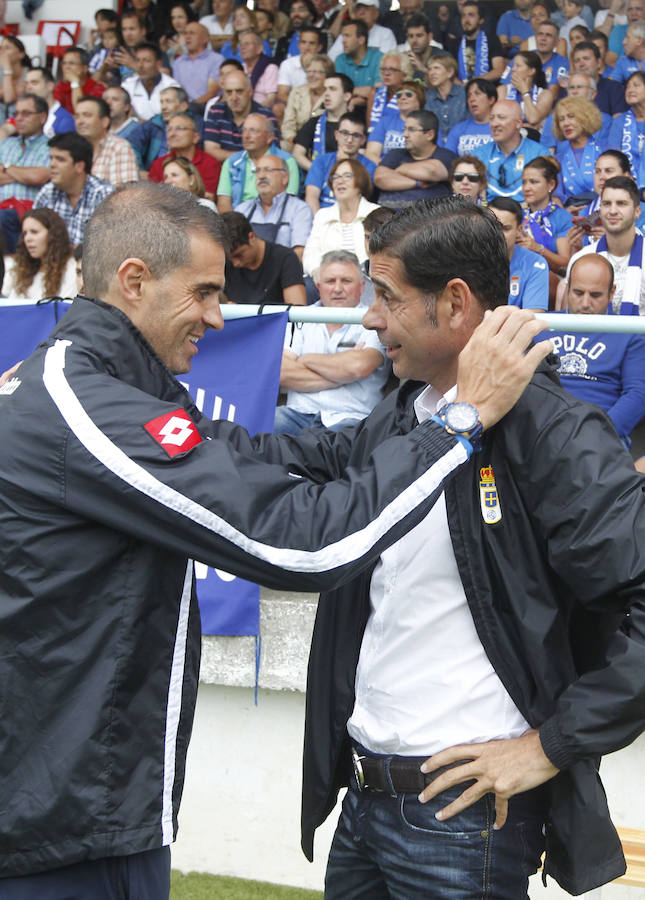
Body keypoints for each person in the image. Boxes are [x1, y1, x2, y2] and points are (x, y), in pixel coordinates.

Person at [0, 182, 551, 900]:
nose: (215, 315)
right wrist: (459, 422)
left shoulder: (114, 390)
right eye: (201, 291)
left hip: (93, 809)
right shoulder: (83, 405)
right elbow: (302, 547)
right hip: (58, 826)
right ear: (134, 281)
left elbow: (253, 457)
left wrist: (412, 428)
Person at [298, 194, 645, 899]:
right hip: (364, 800)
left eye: (387, 298)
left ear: (454, 305)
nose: (367, 317)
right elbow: (294, 460)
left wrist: (547, 747)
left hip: (460, 822)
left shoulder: (556, 432)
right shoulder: (404, 411)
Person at [275, 249, 388, 435]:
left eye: (346, 281)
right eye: (330, 281)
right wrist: (342, 373)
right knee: (264, 427)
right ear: (318, 286)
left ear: (361, 287)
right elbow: (281, 372)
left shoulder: (374, 320)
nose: (337, 289)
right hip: (295, 415)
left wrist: (305, 359)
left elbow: (358, 367)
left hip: (351, 419)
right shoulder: (300, 318)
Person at [546, 253, 645, 445]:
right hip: (543, 432)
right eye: (578, 292)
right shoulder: (543, 326)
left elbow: (637, 394)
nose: (585, 303)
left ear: (612, 292)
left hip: (602, 438)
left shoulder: (630, 331)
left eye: (595, 295)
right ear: (567, 289)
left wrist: (598, 434)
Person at [566, 174, 645, 314]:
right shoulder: (582, 258)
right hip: (593, 335)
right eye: (606, 204)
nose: (613, 211)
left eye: (621, 204)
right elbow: (567, 321)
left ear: (637, 211)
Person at [33, 132, 114, 247]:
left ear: (79, 166)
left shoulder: (103, 195)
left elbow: (111, 245)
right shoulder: (47, 192)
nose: (52, 164)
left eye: (60, 159)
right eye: (51, 158)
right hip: (53, 262)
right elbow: (34, 235)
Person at [302, 158, 379, 279]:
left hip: (365, 279)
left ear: (361, 181)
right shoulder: (323, 215)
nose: (340, 181)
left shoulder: (375, 213)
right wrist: (317, 271)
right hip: (328, 278)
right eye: (335, 177)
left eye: (347, 176)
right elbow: (310, 254)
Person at [374, 109, 456, 209]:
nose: (405, 134)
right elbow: (380, 178)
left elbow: (432, 171)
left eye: (411, 130)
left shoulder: (446, 156)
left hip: (428, 219)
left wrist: (401, 169)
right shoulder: (395, 153)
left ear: (430, 134)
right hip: (389, 217)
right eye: (404, 129)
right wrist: (417, 183)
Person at [0, 94, 51, 253]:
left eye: (26, 113)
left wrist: (6, 167)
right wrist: (24, 174)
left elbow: (38, 177)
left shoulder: (51, 146)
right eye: (16, 114)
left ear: (42, 117)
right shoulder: (7, 144)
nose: (19, 118)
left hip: (29, 213)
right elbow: (32, 175)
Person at [221, 209, 306, 304]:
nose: (235, 263)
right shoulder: (223, 263)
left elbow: (297, 309)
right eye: (229, 258)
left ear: (251, 237)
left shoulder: (285, 258)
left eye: (239, 255)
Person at [216, 112, 298, 211]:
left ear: (269, 137)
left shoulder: (287, 161)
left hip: (276, 219)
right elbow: (224, 203)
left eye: (253, 131)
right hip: (239, 220)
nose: (246, 136)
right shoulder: (231, 162)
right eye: (244, 130)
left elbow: (290, 202)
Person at [236, 154, 312, 258]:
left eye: (268, 170)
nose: (261, 176)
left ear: (285, 178)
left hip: (283, 272)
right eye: (258, 171)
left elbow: (299, 253)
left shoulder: (300, 210)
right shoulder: (242, 210)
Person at [472, 100, 549, 201]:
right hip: (489, 213)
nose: (494, 124)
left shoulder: (539, 154)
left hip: (527, 213)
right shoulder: (479, 154)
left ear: (518, 123)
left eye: (501, 118)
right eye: (492, 118)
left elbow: (545, 196)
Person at [304, 110, 376, 212]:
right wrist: (319, 224)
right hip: (322, 217)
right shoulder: (321, 161)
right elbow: (312, 196)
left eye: (356, 135)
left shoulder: (369, 167)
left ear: (363, 140)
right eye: (345, 133)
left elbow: (361, 199)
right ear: (337, 135)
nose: (349, 140)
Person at [203, 69, 278, 163]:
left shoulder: (266, 117)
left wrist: (227, 155)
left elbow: (271, 155)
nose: (234, 98)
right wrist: (247, 156)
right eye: (229, 92)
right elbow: (211, 151)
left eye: (239, 91)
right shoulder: (215, 111)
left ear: (250, 92)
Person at [489, 196, 549, 310]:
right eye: (492, 226)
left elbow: (533, 317)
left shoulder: (535, 264)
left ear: (519, 230)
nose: (497, 233)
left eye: (505, 228)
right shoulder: (468, 259)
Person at [2, 208, 77, 300]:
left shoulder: (71, 269)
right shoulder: (23, 271)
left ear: (53, 234)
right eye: (25, 233)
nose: (28, 239)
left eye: (34, 232)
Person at [520, 155, 573, 278]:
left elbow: (566, 266)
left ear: (551, 185)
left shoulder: (563, 218)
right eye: (524, 182)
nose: (526, 188)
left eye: (534, 182)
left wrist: (538, 249)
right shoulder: (516, 215)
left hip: (553, 280)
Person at [149, 113, 221, 199]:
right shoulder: (158, 164)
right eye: (169, 129)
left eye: (180, 128)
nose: (172, 134)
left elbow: (208, 197)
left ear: (195, 137)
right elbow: (152, 199)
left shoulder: (210, 163)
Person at [292, 72, 353, 172]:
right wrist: (317, 172)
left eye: (332, 89)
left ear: (346, 96)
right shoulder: (314, 122)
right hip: (317, 180)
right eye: (325, 89)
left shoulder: (357, 123)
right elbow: (297, 153)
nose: (326, 94)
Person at [75, 96, 140, 188]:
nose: (80, 121)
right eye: (77, 117)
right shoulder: (72, 149)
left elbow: (124, 193)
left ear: (105, 122)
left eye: (87, 115)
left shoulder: (119, 147)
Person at [552, 95, 605, 204]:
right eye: (561, 119)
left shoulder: (607, 151)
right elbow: (556, 198)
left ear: (586, 117)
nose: (566, 123)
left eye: (571, 116)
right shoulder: (557, 160)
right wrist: (567, 214)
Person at [365, 79, 426, 163]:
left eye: (408, 94)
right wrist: (388, 169)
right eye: (399, 95)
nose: (403, 97)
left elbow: (434, 157)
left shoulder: (428, 123)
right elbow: (371, 153)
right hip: (384, 171)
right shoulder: (384, 121)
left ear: (419, 98)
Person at [281, 54, 333, 149]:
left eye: (317, 72)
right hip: (295, 143)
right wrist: (297, 144)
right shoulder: (297, 92)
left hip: (323, 144)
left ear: (327, 75)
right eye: (309, 71)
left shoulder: (332, 95)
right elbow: (287, 126)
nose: (311, 75)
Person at [497, 50, 554, 134]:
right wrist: (524, 126)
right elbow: (499, 119)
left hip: (536, 142)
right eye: (513, 66)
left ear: (531, 71)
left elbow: (533, 118)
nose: (513, 69)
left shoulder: (545, 94)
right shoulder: (502, 90)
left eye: (518, 66)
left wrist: (525, 92)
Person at [121, 43, 181, 121]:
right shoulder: (127, 86)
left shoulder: (171, 87)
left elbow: (172, 120)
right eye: (137, 60)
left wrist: (141, 122)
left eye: (146, 61)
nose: (140, 66)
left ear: (158, 64)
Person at [171, 22, 223, 107]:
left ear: (205, 39)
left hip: (208, 108)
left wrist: (190, 107)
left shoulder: (216, 60)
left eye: (192, 33)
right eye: (185, 33)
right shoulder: (178, 62)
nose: (187, 37)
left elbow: (212, 93)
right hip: (183, 110)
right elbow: (177, 92)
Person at [608, 70, 645, 187]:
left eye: (636, 85)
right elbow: (614, 157)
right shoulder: (620, 121)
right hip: (627, 184)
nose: (630, 90)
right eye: (628, 86)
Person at [570, 40, 628, 114]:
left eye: (586, 58)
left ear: (599, 63)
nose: (581, 64)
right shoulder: (568, 92)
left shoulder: (614, 89)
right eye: (577, 60)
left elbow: (619, 121)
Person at [333, 20, 383, 104]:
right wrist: (361, 91)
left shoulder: (379, 58)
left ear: (361, 40)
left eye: (347, 36)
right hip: (347, 109)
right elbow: (339, 93)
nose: (343, 41)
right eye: (343, 36)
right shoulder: (340, 60)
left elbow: (379, 93)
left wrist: (356, 98)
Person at [328, 0, 397, 61]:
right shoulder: (347, 32)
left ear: (376, 14)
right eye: (358, 9)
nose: (361, 12)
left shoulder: (385, 34)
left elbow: (386, 61)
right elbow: (332, 57)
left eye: (366, 9)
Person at [454, 0, 505, 82]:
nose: (466, 20)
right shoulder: (455, 43)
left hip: (486, 89)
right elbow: (449, 73)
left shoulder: (492, 40)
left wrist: (474, 82)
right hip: (461, 90)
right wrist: (461, 87)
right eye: (463, 16)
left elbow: (499, 70)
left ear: (481, 20)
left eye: (471, 15)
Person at [444, 76, 495, 156]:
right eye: (469, 95)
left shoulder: (500, 127)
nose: (472, 99)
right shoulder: (458, 129)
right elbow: (447, 158)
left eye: (477, 94)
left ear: (491, 100)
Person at [424, 53, 468, 143]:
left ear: (450, 72)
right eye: (429, 69)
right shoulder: (426, 97)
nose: (432, 73)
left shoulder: (465, 94)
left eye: (436, 68)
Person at [22, 67, 75, 138]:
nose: (28, 87)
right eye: (26, 84)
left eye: (34, 82)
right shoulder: (22, 114)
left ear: (50, 86)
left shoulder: (65, 120)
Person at [54, 47, 105, 115]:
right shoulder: (62, 86)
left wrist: (75, 82)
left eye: (71, 63)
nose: (66, 67)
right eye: (64, 63)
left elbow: (82, 113)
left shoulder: (97, 88)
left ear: (85, 68)